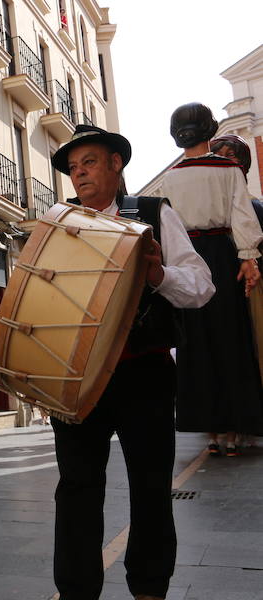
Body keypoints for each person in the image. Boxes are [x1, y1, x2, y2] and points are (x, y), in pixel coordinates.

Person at [49, 124, 214, 600]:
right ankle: (77, 590)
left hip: (144, 371)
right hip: (78, 376)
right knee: (76, 487)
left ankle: (149, 588)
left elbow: (202, 286)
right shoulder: (60, 224)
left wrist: (158, 273)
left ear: (116, 164)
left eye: (90, 163)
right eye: (74, 168)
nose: (80, 174)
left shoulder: (153, 213)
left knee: (150, 486)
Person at [162, 104, 263, 457]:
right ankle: (236, 429)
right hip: (222, 254)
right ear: (211, 129)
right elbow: (242, 214)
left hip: (186, 257)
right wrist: (248, 258)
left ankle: (213, 432)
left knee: (196, 343)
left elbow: (168, 226)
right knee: (231, 339)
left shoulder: (170, 176)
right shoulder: (228, 169)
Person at [211, 134, 263, 393]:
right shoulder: (207, 216)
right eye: (216, 155)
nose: (221, 161)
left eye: (229, 156)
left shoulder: (256, 208)